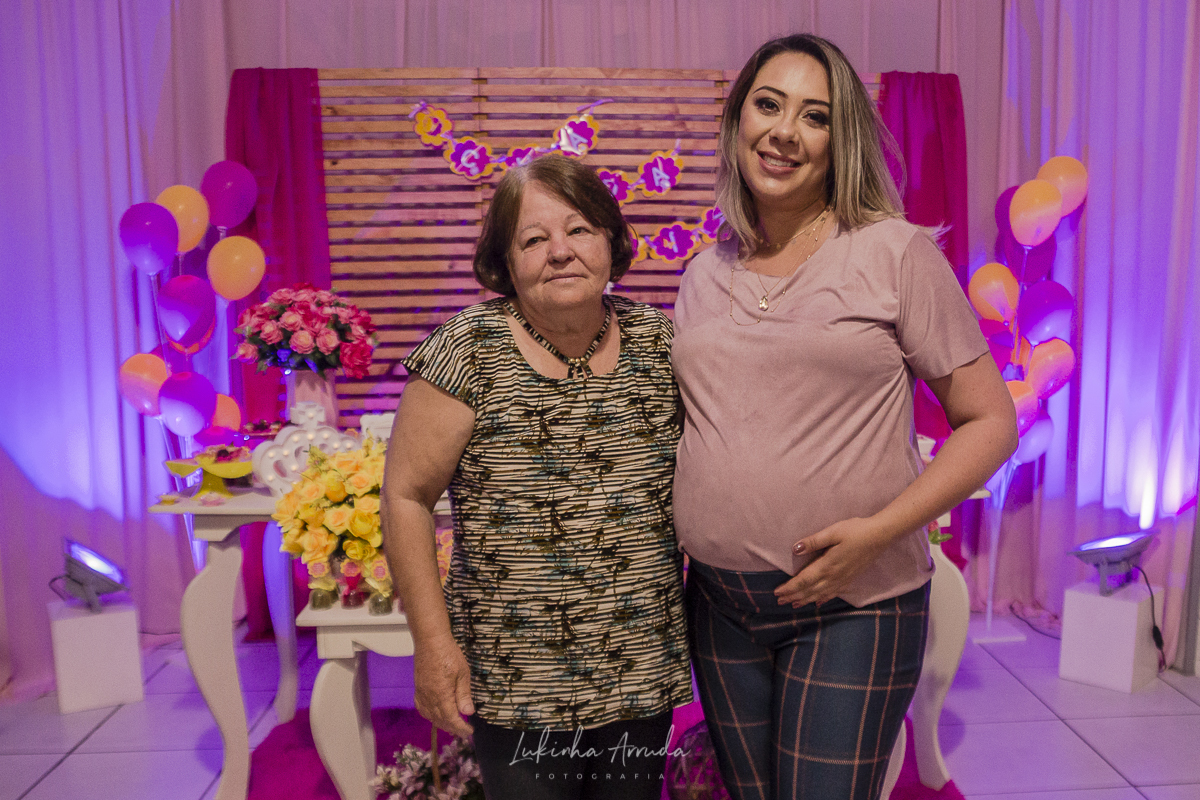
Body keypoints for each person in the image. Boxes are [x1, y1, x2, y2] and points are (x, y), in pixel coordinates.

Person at [671, 34, 1018, 800]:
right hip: (721, 606)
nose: (784, 131)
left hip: (854, 604)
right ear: (737, 121)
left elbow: (991, 421)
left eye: (815, 116)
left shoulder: (894, 254)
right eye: (768, 105)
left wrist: (879, 532)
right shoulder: (703, 272)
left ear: (842, 141)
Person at [381, 153, 692, 800]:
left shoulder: (660, 341)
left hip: (641, 661)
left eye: (579, 230)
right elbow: (406, 496)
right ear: (505, 260)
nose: (560, 251)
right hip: (516, 677)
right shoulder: (466, 349)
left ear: (611, 241)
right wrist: (432, 644)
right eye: (533, 239)